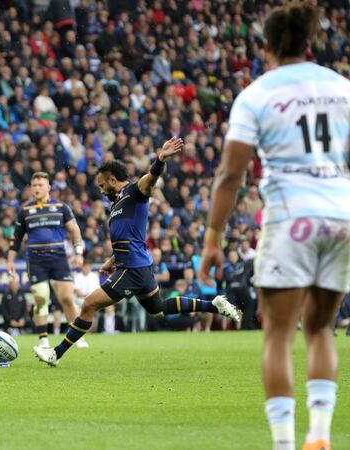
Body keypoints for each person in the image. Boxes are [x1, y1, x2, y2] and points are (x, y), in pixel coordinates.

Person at [197, 4, 350, 449]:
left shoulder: (257, 95)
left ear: (265, 45)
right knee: (321, 329)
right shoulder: (342, 88)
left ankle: (284, 444)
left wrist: (213, 238)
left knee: (279, 335)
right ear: (311, 42)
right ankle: (319, 435)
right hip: (340, 218)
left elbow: (230, 174)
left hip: (290, 219)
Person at [34, 139, 242, 367]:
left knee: (89, 304)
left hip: (132, 268)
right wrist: (113, 259)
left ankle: (56, 354)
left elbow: (150, 179)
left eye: (102, 185)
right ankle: (214, 305)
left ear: (113, 180)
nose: (101, 191)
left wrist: (160, 159)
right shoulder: (117, 205)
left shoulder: (134, 192)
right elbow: (129, 236)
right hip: (135, 264)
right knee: (158, 308)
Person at [6, 172, 88, 348]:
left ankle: (77, 336)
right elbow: (16, 238)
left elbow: (75, 231)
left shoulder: (61, 207)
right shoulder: (25, 211)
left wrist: (78, 253)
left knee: (67, 299)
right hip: (36, 260)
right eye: (34, 185)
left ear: (48, 187)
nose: (36, 188)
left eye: (40, 185)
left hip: (58, 258)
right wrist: (10, 261)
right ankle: (43, 338)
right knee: (41, 298)